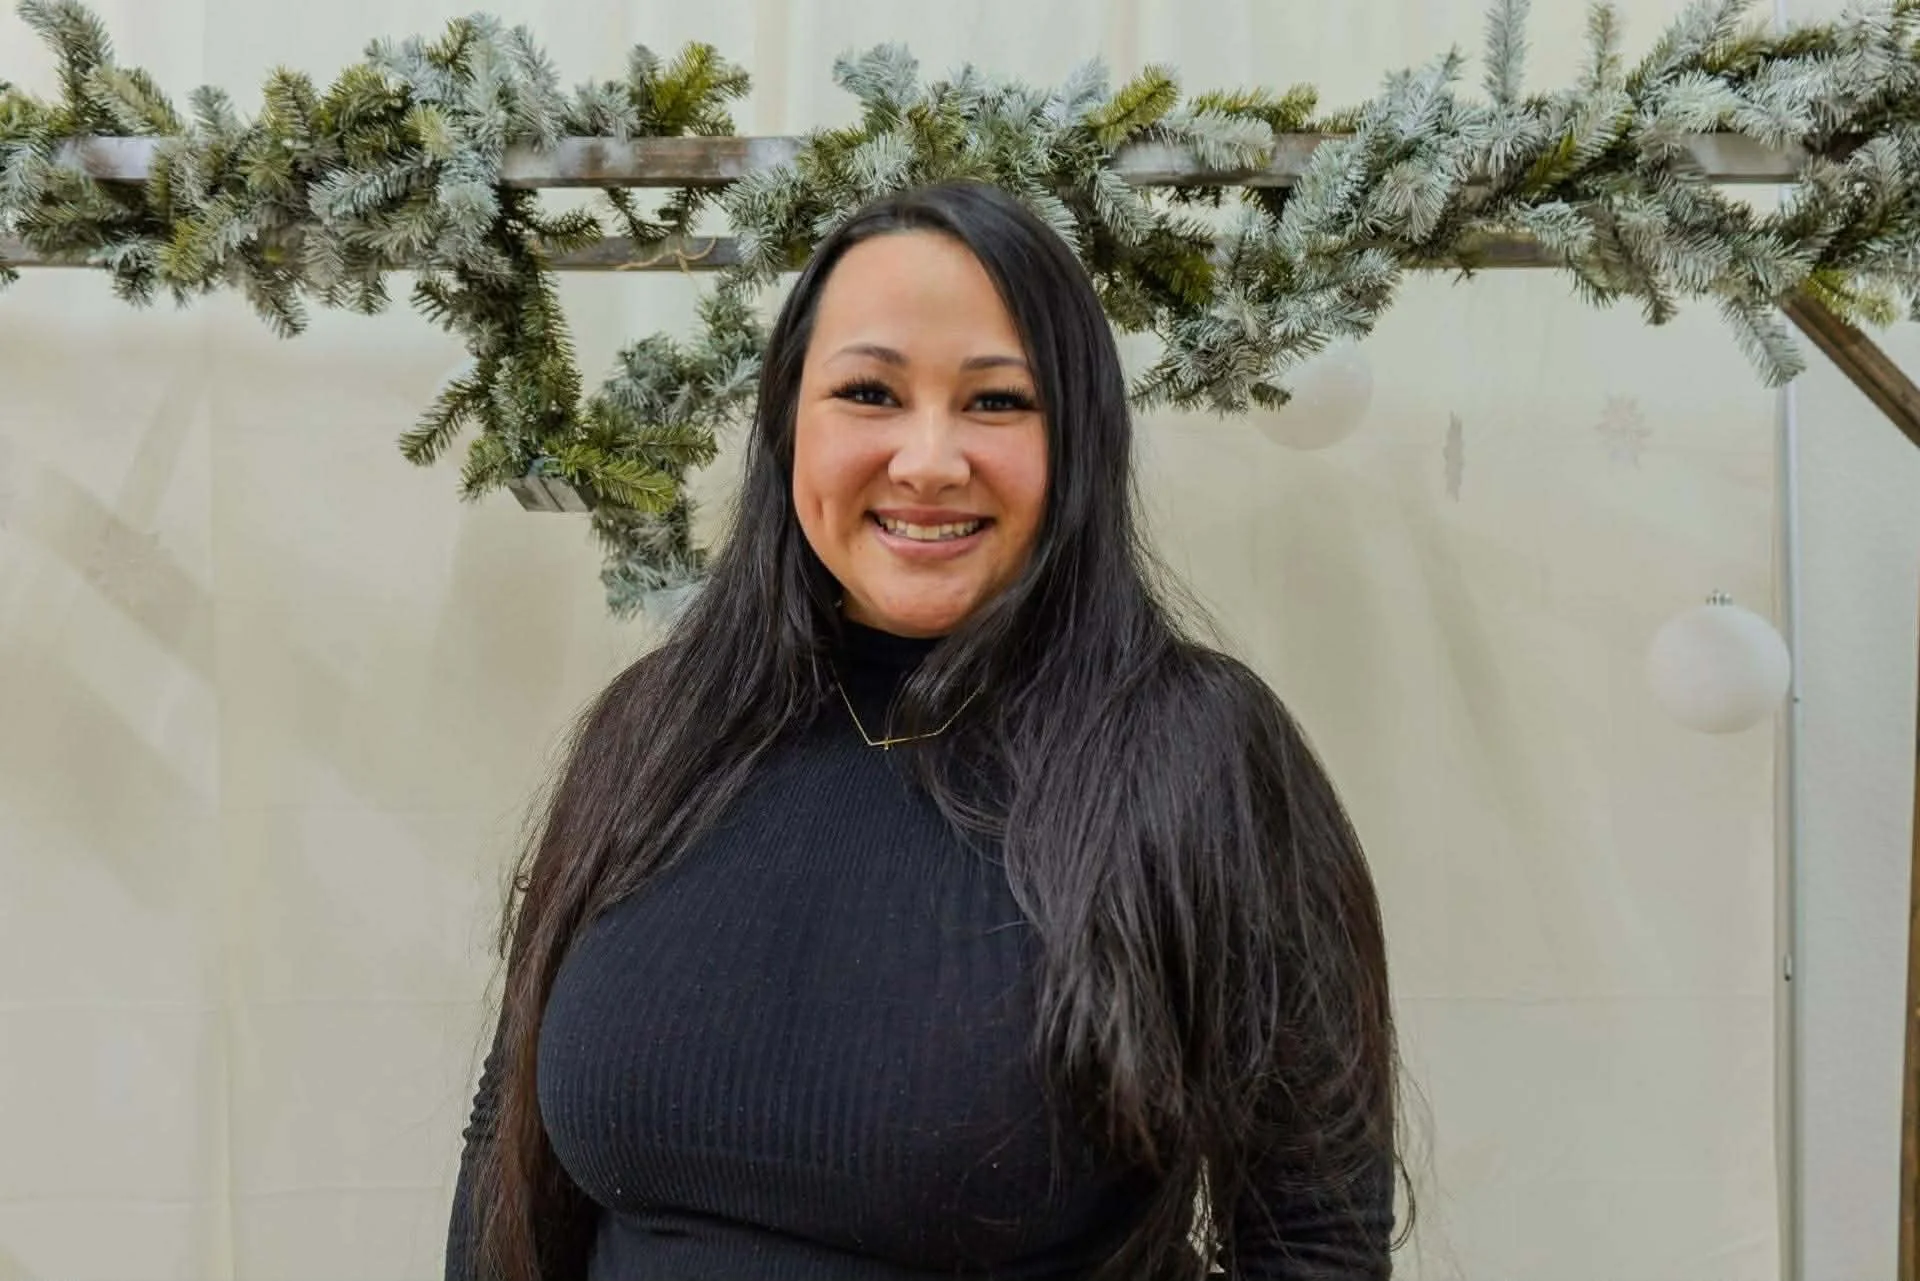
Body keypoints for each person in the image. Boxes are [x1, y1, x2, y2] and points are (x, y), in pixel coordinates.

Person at [444, 181, 1405, 1281]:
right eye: (868, 392)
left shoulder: (1194, 753)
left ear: (1081, 441)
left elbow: (1313, 1244)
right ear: (787, 426)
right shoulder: (655, 732)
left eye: (998, 403)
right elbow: (505, 1157)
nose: (930, 460)